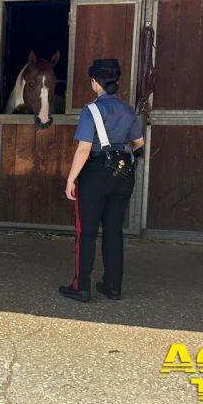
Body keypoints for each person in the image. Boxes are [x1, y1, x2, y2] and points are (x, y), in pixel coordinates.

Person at [59, 58, 145, 302]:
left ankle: (81, 286)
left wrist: (71, 179)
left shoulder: (91, 110)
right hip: (123, 174)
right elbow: (139, 144)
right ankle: (112, 286)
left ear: (94, 82)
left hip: (96, 173)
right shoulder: (128, 110)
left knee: (86, 232)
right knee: (113, 230)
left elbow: (84, 149)